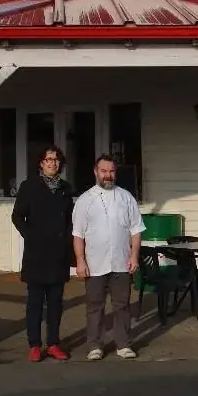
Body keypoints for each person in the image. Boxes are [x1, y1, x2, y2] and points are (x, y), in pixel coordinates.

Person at [72, 154, 147, 360]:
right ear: (96, 172)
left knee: (122, 305)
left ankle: (123, 344)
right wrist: (80, 260)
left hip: (121, 262)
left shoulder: (126, 197)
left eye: (111, 171)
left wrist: (134, 256)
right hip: (95, 263)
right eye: (104, 171)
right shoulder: (85, 200)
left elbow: (136, 230)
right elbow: (78, 234)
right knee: (95, 306)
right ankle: (95, 345)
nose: (108, 175)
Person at [11, 145, 75, 362]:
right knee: (35, 302)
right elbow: (17, 216)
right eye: (48, 159)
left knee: (56, 303)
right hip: (37, 254)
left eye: (56, 160)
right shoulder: (29, 186)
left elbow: (69, 220)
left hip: (58, 255)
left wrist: (68, 244)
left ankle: (54, 343)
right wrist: (32, 236)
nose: (53, 163)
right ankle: (35, 345)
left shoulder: (66, 188)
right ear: (41, 163)